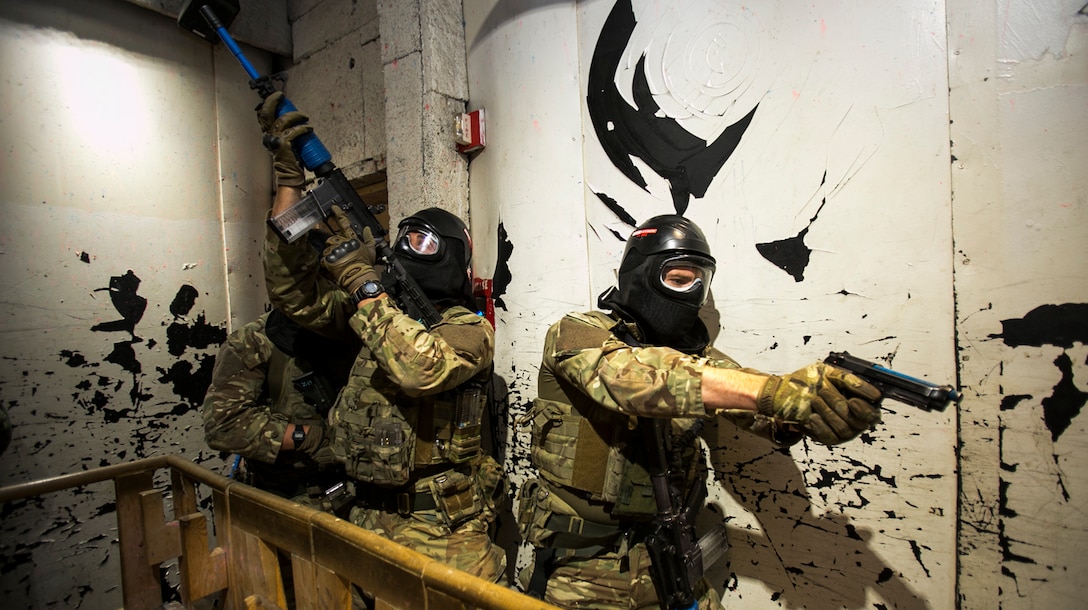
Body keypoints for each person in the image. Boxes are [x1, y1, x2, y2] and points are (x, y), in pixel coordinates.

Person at [517, 214, 884, 609]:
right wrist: (773, 392)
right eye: (677, 279)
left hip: (670, 559)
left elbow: (749, 399)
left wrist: (812, 409)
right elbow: (632, 379)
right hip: (585, 571)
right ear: (641, 274)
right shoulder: (578, 332)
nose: (691, 293)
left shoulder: (697, 356)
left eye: (700, 282)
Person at [255, 91, 508, 583]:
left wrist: (363, 284)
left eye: (424, 241)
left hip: (442, 532)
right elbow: (293, 294)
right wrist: (289, 180)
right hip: (362, 515)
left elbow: (421, 367)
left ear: (453, 257)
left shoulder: (468, 328)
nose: (407, 248)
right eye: (405, 236)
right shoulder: (374, 313)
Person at [201, 309, 355, 511]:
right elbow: (223, 426)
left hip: (352, 493)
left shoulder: (355, 332)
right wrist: (308, 438)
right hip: (285, 498)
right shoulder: (253, 342)